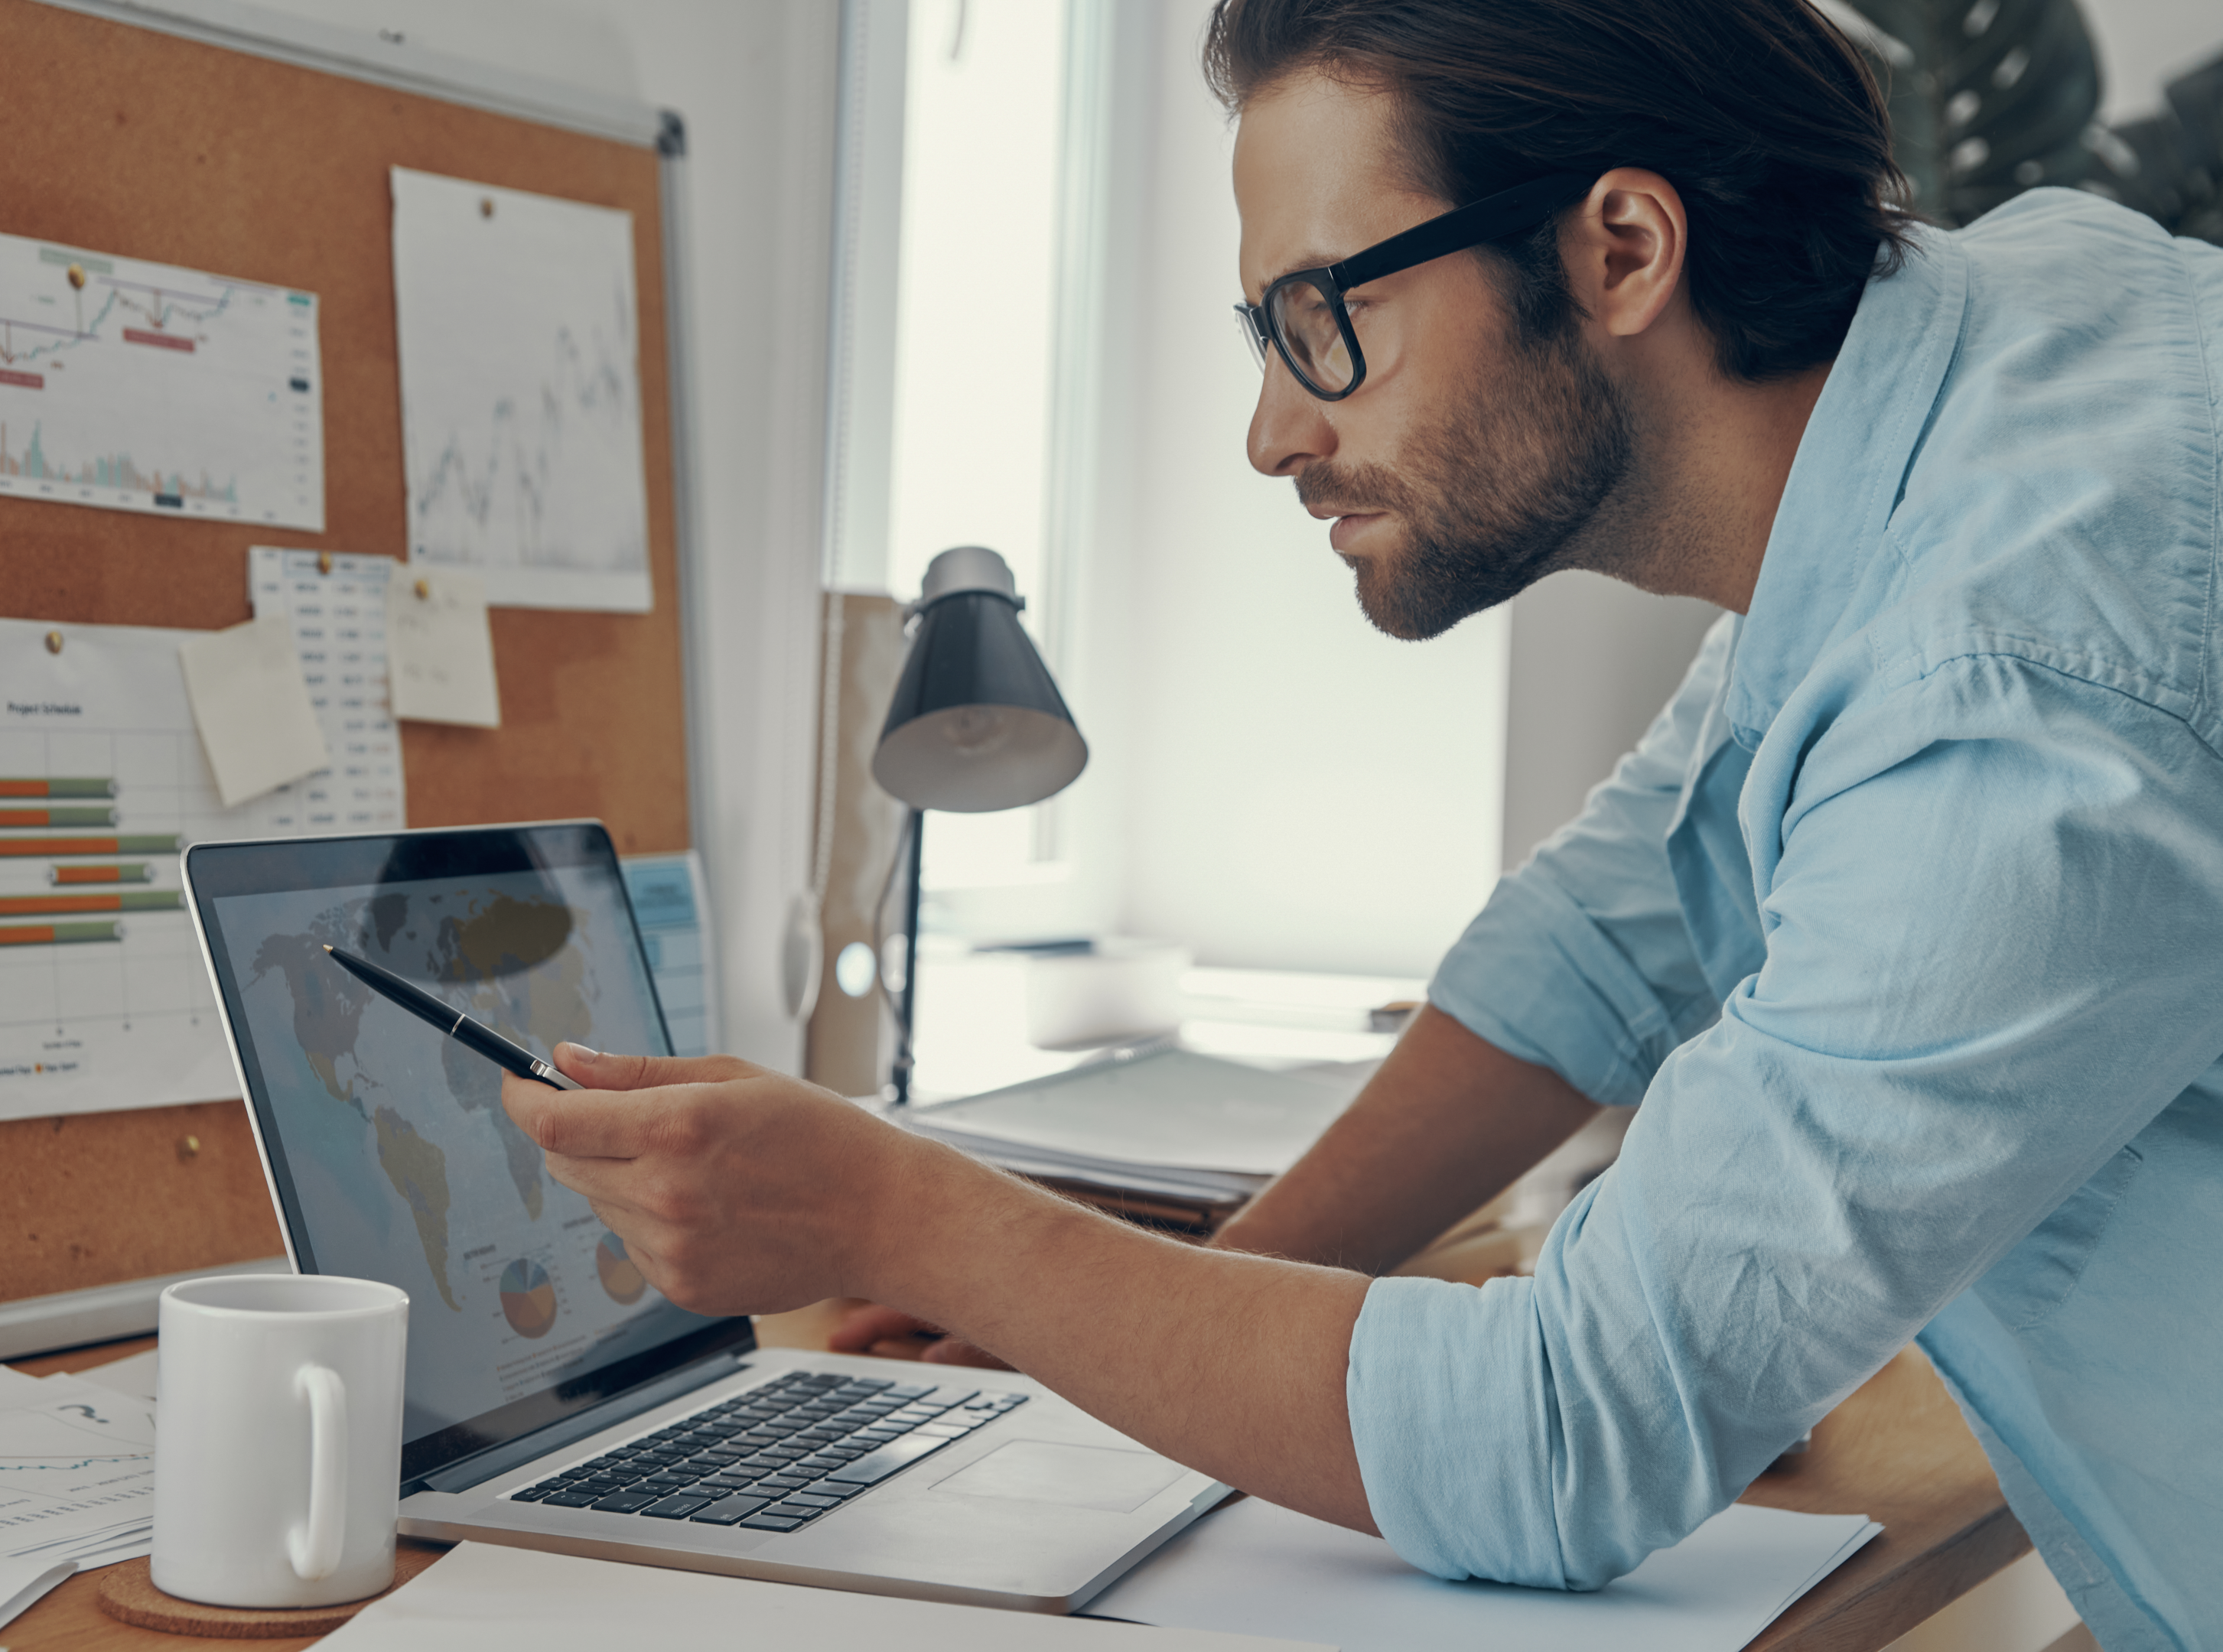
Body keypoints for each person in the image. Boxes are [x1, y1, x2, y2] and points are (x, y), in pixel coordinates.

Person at [500, 1, 2223, 1644]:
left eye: (1325, 315)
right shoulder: (1995, 361)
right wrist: (1141, 1308)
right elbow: (1595, 944)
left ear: (1619, 248)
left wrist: (910, 1218)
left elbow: (1568, 1436)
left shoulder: (2011, 675)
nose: (1271, 431)